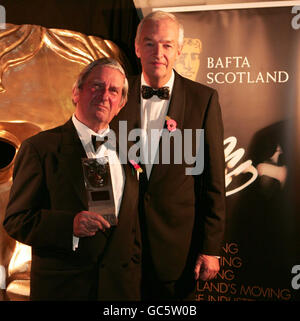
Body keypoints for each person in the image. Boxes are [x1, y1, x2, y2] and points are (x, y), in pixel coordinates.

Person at [3, 57, 141, 301]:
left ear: (121, 103)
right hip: (63, 291)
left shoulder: (128, 152)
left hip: (120, 292)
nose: (104, 95)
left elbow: (133, 227)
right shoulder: (40, 148)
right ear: (76, 92)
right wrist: (70, 226)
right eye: (96, 86)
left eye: (113, 90)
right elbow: (16, 220)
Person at [111, 11, 226, 300]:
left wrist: (211, 247)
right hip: (119, 249)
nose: (158, 53)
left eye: (166, 44)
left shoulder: (204, 99)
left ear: (179, 50)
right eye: (149, 44)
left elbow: (213, 181)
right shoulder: (113, 96)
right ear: (137, 48)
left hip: (178, 250)